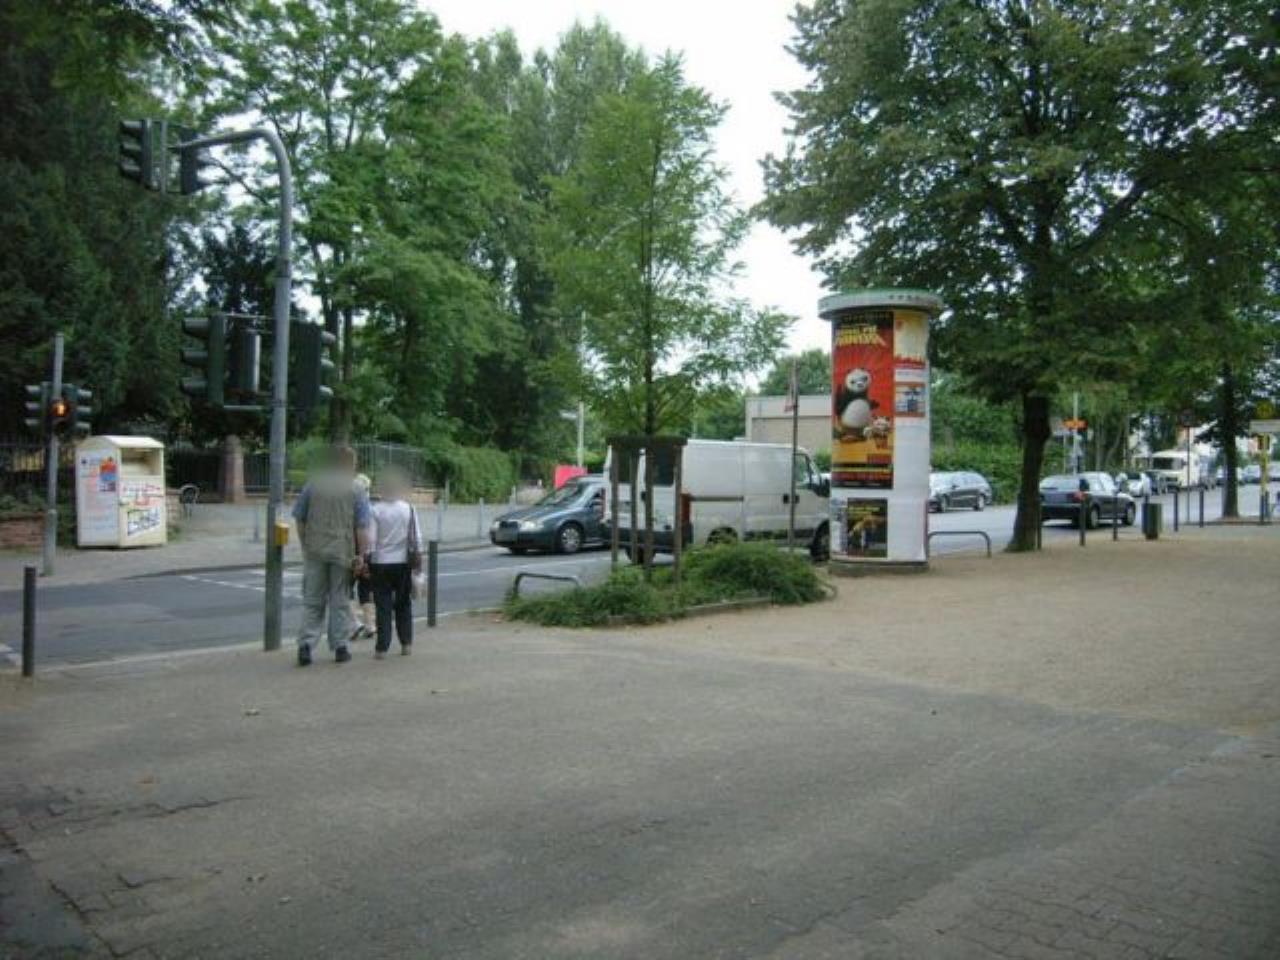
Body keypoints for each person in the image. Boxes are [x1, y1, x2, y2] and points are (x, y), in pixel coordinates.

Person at [292, 446, 372, 666]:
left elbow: (300, 518)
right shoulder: (356, 489)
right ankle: (340, 647)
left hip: (315, 550)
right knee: (340, 600)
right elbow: (362, 527)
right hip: (342, 552)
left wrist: (305, 544)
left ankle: (306, 645)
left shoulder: (313, 484)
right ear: (349, 463)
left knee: (312, 600)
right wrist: (361, 556)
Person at [367, 468, 419, 659]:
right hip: (403, 562)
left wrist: (366, 559)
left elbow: (371, 540)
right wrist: (417, 563)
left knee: (383, 606)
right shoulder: (409, 509)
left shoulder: (375, 510)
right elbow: (416, 538)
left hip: (380, 562)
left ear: (382, 488)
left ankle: (382, 647)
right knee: (403, 603)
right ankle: (406, 643)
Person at [349, 472, 376, 641]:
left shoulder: (354, 509)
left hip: (355, 553)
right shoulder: (373, 508)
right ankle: (370, 625)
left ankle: (354, 623)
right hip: (370, 554)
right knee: (366, 590)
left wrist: (359, 555)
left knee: (345, 589)